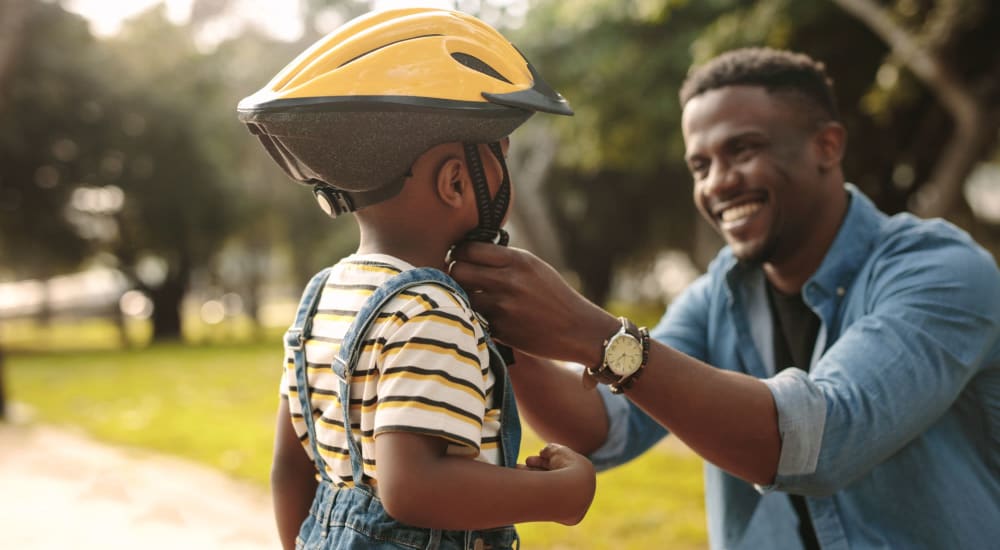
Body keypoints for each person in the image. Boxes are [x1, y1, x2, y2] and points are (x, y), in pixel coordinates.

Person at [448, 47, 1000, 549]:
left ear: (827, 146)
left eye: (743, 150)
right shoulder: (721, 293)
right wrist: (499, 320)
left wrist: (591, 333)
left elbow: (824, 440)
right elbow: (603, 427)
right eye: (701, 165)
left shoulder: (942, 272)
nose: (718, 183)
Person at [237, 8, 595, 550]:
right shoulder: (429, 309)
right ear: (456, 180)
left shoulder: (322, 297)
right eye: (502, 159)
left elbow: (290, 471)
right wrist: (564, 494)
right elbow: (415, 488)